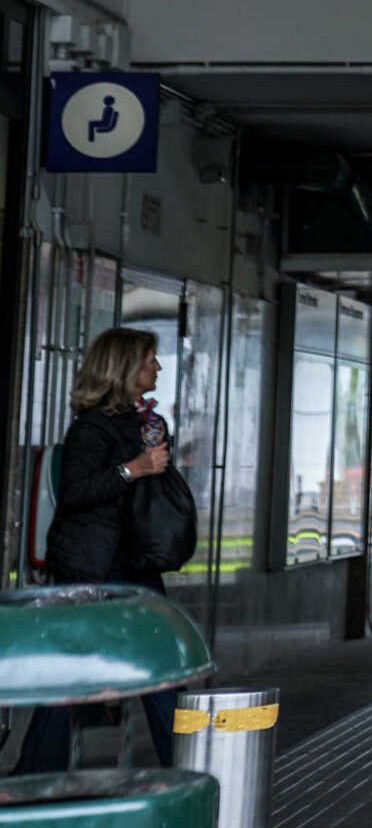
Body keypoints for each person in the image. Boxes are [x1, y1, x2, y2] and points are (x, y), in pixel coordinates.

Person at [15, 328, 186, 775]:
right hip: (90, 566)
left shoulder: (148, 423)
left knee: (162, 666)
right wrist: (133, 469)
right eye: (151, 359)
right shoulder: (91, 427)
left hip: (135, 561)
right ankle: (34, 772)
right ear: (127, 367)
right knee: (72, 671)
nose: (158, 367)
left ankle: (185, 762)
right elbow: (75, 492)